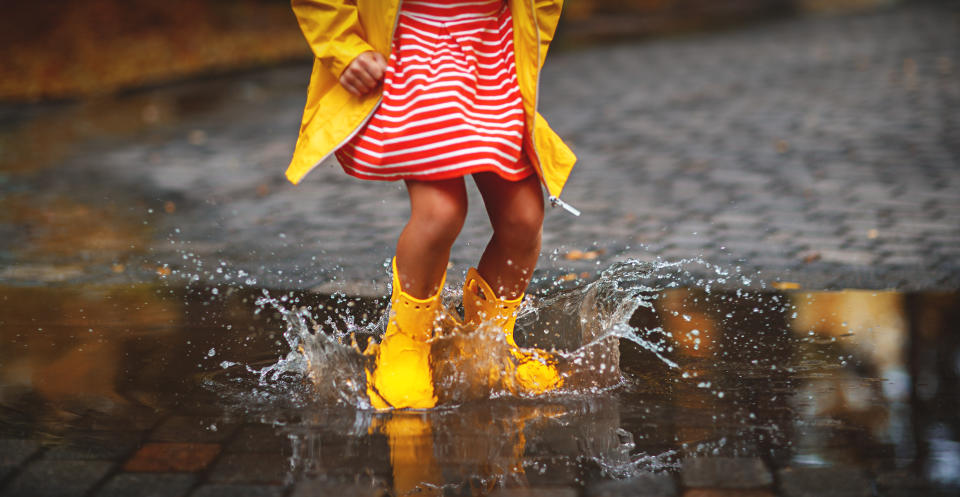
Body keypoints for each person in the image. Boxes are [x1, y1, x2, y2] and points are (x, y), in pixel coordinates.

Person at [287, 0, 578, 410]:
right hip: (411, 58)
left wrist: (526, 46)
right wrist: (343, 46)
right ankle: (405, 343)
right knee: (441, 211)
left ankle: (486, 344)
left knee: (523, 217)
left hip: (490, 57)